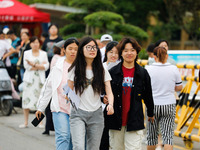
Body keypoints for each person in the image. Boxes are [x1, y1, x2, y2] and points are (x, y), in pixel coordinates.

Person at [106, 37, 154, 150]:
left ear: (137, 52)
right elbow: (105, 93)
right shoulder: (112, 72)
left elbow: (148, 95)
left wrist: (151, 113)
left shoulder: (142, 73)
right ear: (121, 53)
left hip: (134, 120)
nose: (129, 53)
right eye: (126, 50)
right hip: (116, 120)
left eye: (132, 50)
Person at [67, 37, 114, 150]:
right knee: (78, 146)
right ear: (82, 50)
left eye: (94, 47)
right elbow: (68, 90)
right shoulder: (75, 69)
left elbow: (109, 91)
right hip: (78, 114)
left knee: (93, 148)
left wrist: (110, 104)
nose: (92, 50)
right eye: (88, 47)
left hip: (96, 114)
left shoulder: (102, 69)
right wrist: (74, 103)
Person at [36, 38, 79, 150]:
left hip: (77, 109)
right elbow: (48, 87)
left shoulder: (82, 67)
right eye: (70, 49)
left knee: (72, 139)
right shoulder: (58, 66)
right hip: (59, 108)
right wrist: (41, 107)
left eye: (76, 49)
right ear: (64, 50)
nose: (73, 51)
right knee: (63, 136)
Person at [146, 46, 182, 150]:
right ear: (167, 56)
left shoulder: (148, 69)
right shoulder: (173, 68)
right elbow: (179, 87)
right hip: (169, 104)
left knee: (151, 136)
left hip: (152, 105)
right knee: (168, 137)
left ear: (154, 56)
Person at [19, 36, 49, 128]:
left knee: (40, 101)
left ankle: (39, 122)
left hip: (40, 79)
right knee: (26, 99)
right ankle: (26, 122)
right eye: (33, 42)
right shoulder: (27, 53)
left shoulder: (43, 53)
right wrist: (39, 66)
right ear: (30, 44)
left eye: (37, 42)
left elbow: (46, 66)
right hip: (29, 80)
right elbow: (26, 66)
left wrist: (34, 64)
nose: (35, 44)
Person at [42, 40, 66, 136]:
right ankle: (48, 127)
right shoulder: (57, 58)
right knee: (51, 107)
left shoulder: (57, 58)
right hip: (55, 85)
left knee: (50, 107)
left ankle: (48, 128)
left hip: (57, 86)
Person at [100, 41, 119, 150]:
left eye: (116, 53)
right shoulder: (100, 67)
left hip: (118, 105)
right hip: (103, 105)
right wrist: (102, 97)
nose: (113, 55)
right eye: (111, 52)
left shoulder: (121, 67)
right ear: (106, 52)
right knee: (104, 135)